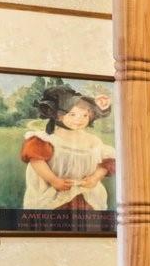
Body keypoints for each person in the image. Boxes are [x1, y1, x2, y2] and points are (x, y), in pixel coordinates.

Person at [20, 85, 115, 221]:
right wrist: (54, 180)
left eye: (85, 115)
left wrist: (95, 178)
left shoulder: (93, 141)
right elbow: (36, 160)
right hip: (53, 194)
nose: (79, 119)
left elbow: (107, 163)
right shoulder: (48, 139)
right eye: (73, 114)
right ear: (58, 115)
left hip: (86, 196)